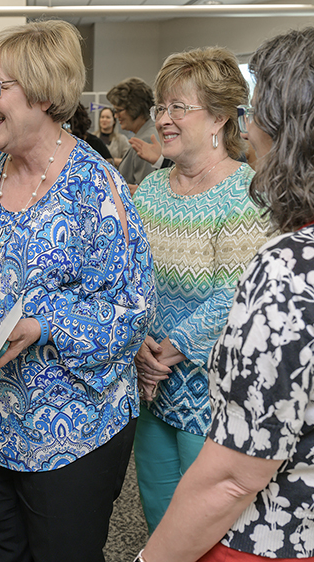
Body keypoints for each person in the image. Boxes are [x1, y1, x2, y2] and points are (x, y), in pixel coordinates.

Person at [134, 21, 314, 562]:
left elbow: (231, 479)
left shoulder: (292, 267)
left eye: (259, 116)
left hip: (275, 547)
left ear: (299, 134)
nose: (249, 133)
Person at [0, 20, 154, 562]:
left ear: (42, 93)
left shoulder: (95, 187)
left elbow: (131, 309)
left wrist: (43, 325)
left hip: (69, 433)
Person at [130, 46, 271, 536]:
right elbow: (130, 276)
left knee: (210, 531)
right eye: (161, 107)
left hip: (211, 398)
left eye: (178, 108)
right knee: (158, 514)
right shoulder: (148, 190)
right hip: (151, 388)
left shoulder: (245, 192)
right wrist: (139, 345)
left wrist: (168, 350)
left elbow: (239, 292)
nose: (165, 120)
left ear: (219, 118)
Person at [106, 77, 170, 192]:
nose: (116, 116)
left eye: (119, 110)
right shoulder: (145, 134)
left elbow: (147, 190)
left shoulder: (146, 140)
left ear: (135, 109)